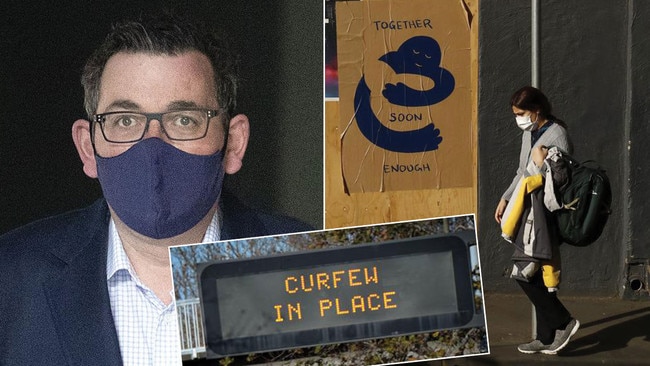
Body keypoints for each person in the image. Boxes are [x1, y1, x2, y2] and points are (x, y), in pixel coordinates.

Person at [0, 13, 311, 365]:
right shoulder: (9, 279)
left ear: (234, 143)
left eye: (183, 120)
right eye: (125, 121)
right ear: (88, 148)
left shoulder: (314, 271)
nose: (153, 145)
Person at [494, 86, 580, 355]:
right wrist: (506, 198)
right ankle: (545, 337)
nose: (518, 118)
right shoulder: (530, 132)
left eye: (521, 113)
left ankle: (564, 322)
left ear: (537, 110)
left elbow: (563, 178)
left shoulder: (558, 135)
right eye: (515, 114)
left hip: (546, 216)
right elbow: (522, 171)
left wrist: (541, 162)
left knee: (525, 272)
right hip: (528, 212)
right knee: (536, 275)